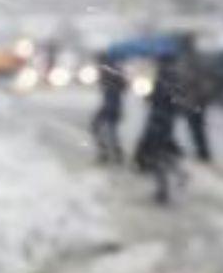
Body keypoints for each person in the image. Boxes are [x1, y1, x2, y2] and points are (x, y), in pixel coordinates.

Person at [134, 54, 183, 204]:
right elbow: (174, 101)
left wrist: (150, 97)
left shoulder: (164, 78)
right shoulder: (173, 77)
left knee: (157, 155)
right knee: (162, 153)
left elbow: (162, 99)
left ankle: (164, 190)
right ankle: (177, 175)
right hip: (165, 121)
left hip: (159, 121)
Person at [175, 34, 214, 163]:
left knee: (196, 127)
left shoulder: (189, 59)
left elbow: (188, 78)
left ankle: (202, 152)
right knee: (196, 127)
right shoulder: (192, 58)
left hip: (194, 100)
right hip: (195, 100)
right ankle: (202, 151)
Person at [90, 55, 126, 164]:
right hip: (113, 106)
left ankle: (107, 153)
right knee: (109, 131)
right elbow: (123, 86)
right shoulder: (114, 71)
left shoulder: (108, 72)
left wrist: (107, 81)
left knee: (100, 128)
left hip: (111, 107)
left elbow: (119, 87)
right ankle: (113, 153)